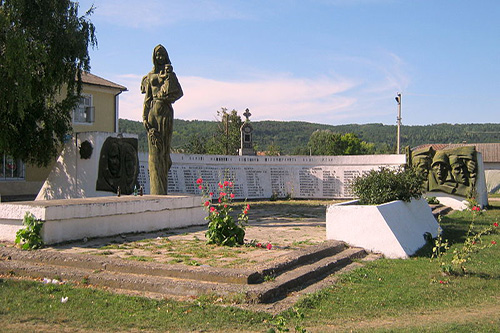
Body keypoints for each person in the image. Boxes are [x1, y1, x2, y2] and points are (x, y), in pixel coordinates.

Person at [141, 45, 183, 195]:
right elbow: (147, 99)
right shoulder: (150, 76)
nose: (159, 57)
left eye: (162, 55)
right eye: (157, 55)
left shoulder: (170, 74)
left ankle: (161, 189)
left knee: (164, 151)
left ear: (166, 57)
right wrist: (144, 117)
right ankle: (156, 190)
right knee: (154, 153)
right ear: (154, 57)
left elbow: (178, 93)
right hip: (153, 114)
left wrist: (169, 78)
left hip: (165, 113)